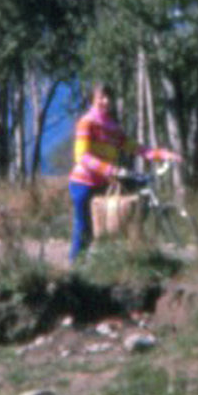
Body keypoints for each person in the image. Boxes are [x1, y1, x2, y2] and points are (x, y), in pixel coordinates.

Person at [68, 82, 138, 262]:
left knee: (102, 229)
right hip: (82, 183)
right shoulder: (86, 122)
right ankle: (74, 268)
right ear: (93, 99)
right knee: (84, 228)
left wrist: (159, 154)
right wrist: (109, 169)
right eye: (101, 97)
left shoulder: (113, 126)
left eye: (109, 98)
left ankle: (98, 266)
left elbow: (132, 146)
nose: (106, 101)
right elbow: (81, 156)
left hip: (103, 184)